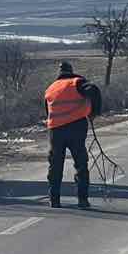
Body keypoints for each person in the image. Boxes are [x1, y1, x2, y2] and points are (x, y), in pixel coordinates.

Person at [43, 60, 103, 209]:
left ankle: (54, 200)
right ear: (71, 71)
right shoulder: (76, 82)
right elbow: (93, 90)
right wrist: (95, 112)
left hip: (55, 130)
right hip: (76, 127)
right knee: (81, 164)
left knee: (55, 165)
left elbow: (48, 110)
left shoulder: (50, 88)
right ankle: (82, 200)